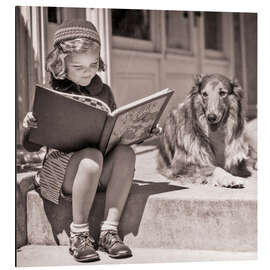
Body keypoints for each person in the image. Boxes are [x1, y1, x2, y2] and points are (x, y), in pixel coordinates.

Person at [22, 20, 138, 262]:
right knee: (91, 158)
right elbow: (31, 146)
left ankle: (109, 231)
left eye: (93, 64)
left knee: (125, 153)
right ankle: (79, 235)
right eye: (79, 66)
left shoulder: (103, 91)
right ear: (61, 63)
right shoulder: (52, 91)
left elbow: (111, 131)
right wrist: (29, 127)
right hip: (64, 172)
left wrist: (136, 129)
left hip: (97, 166)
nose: (88, 72)